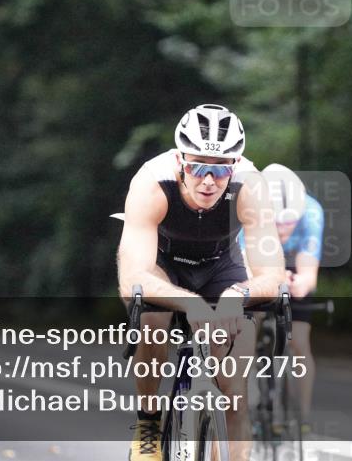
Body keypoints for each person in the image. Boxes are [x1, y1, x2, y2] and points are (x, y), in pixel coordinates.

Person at [117, 104, 285, 461]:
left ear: (235, 166)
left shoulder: (250, 186)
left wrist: (237, 296)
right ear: (180, 160)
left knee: (234, 392)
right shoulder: (152, 183)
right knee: (152, 321)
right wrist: (190, 303)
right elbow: (134, 276)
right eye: (197, 166)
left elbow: (271, 274)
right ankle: (148, 424)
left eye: (219, 169)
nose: (208, 180)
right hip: (163, 266)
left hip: (220, 267)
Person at [239, 164, 323, 429]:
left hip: (292, 266)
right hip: (257, 263)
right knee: (247, 330)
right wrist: (269, 282)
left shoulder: (311, 212)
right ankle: (248, 398)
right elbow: (246, 267)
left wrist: (301, 283)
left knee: (299, 341)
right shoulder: (248, 210)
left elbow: (309, 273)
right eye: (277, 224)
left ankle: (304, 416)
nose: (284, 230)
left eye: (290, 223)